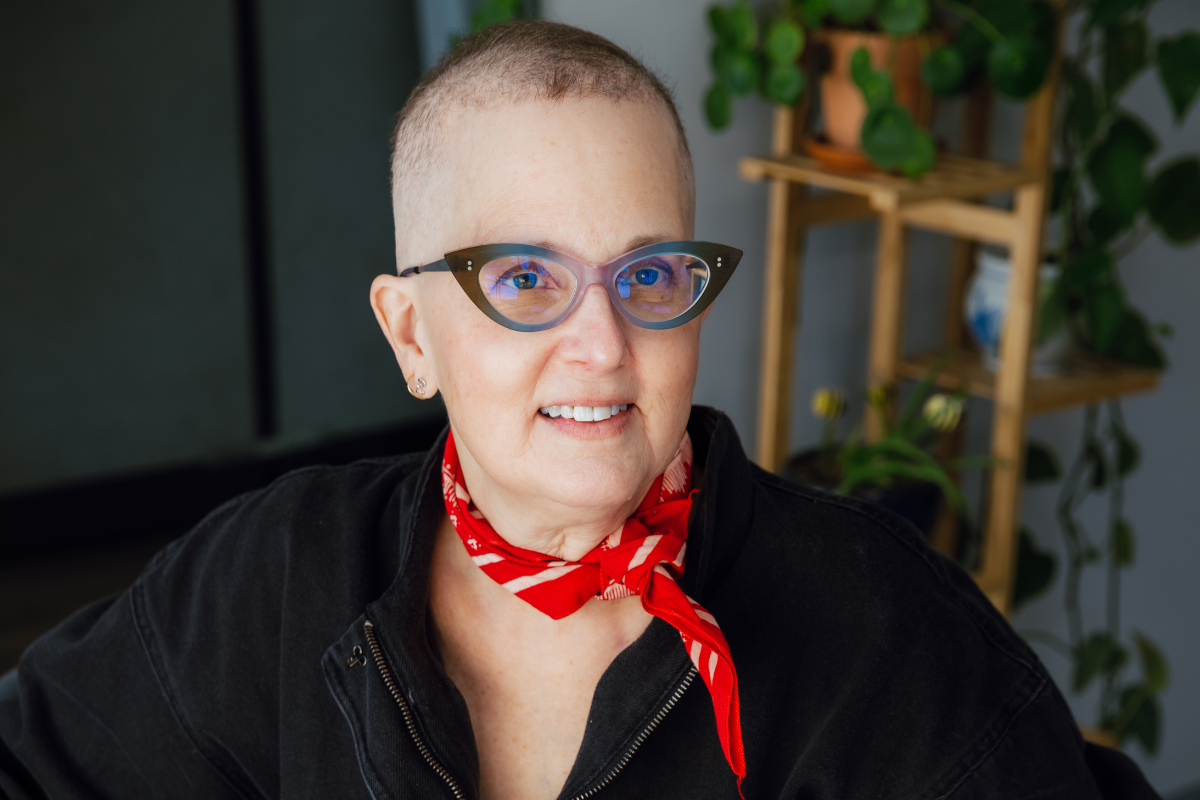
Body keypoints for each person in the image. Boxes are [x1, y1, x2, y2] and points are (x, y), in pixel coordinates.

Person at [0, 19, 1160, 800]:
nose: (603, 345)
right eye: (523, 278)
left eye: (649, 275)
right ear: (411, 334)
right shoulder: (275, 575)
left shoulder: (881, 626)